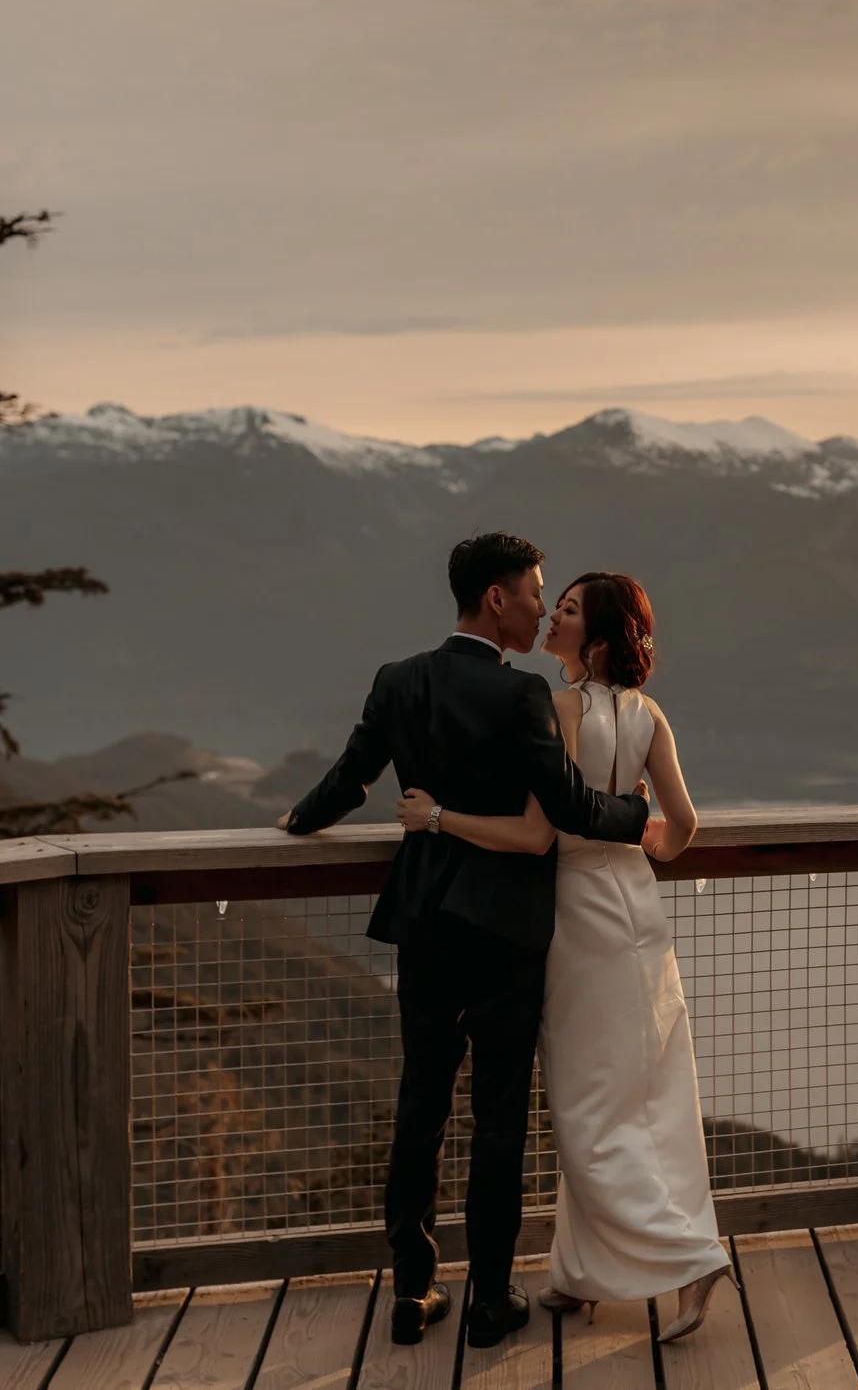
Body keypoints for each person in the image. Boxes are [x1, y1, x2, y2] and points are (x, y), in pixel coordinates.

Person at [279, 533, 649, 1350]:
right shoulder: (520, 699)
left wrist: (298, 821)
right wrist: (640, 814)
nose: (539, 606)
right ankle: (488, 1296)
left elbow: (350, 777)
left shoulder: (398, 679)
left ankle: (413, 1289)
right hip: (507, 934)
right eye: (533, 592)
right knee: (499, 1117)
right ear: (496, 598)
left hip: (425, 924)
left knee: (421, 1105)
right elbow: (572, 806)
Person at [393, 571, 734, 1345]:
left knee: (585, 1109)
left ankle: (692, 1256)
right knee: (645, 1096)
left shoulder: (561, 709)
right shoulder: (650, 716)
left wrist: (437, 815)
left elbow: (534, 836)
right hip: (637, 909)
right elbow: (681, 824)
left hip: (579, 915)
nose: (550, 616)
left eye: (569, 611)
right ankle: (582, 1272)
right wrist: (641, 845)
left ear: (599, 640)